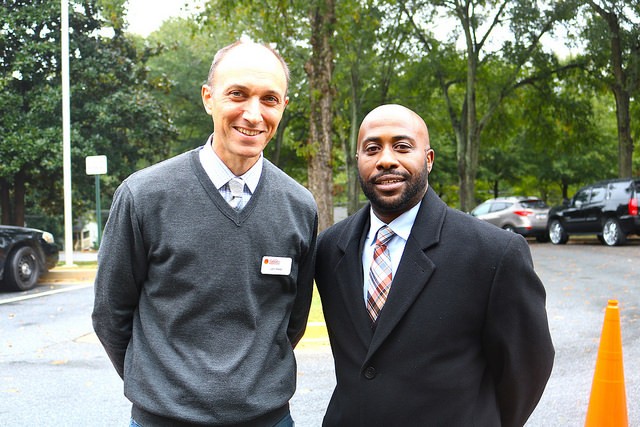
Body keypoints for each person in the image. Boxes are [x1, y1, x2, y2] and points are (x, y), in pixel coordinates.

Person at [92, 41, 318, 427]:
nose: (253, 113)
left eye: (269, 99)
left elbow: (292, 319)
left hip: (269, 420)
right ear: (208, 98)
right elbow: (110, 313)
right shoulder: (143, 196)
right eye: (237, 94)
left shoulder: (299, 206)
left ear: (282, 107)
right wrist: (161, 390)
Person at [315, 104, 554, 426]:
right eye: (372, 148)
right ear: (358, 160)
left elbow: (527, 366)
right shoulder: (330, 248)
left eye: (402, 146)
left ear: (428, 159)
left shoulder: (495, 253)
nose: (386, 159)